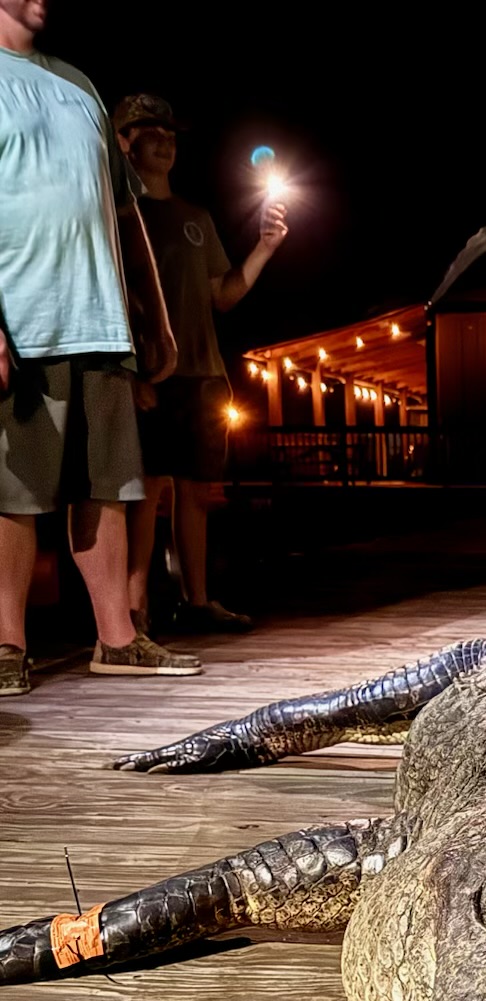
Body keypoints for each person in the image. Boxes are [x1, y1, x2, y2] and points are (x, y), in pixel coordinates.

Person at [0, 0, 200, 697]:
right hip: (24, 313)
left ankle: (117, 639)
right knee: (16, 490)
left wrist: (159, 319)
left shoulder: (80, 84)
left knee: (108, 483)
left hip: (101, 314)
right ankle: (7, 644)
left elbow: (124, 211)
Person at [114, 92, 288, 634]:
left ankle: (198, 600)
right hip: (151, 374)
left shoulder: (196, 218)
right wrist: (131, 372)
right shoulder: (118, 215)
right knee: (146, 490)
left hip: (205, 374)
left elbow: (223, 294)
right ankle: (134, 611)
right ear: (124, 141)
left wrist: (265, 248)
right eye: (150, 132)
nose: (164, 142)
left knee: (196, 491)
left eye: (170, 135)